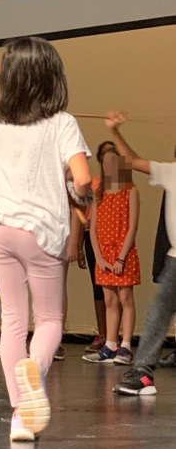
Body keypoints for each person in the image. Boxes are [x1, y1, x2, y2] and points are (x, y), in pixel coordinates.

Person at [0, 36, 91, 442]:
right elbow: (82, 178)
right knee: (50, 320)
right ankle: (33, 377)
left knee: (13, 321)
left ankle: (20, 415)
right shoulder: (62, 123)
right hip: (41, 232)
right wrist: (82, 196)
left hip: (0, 229)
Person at [110, 116, 176, 396]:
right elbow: (133, 161)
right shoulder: (171, 172)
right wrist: (115, 131)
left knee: (159, 310)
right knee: (159, 311)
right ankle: (143, 372)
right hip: (175, 260)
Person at [84, 147, 141, 365]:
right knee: (109, 300)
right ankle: (110, 344)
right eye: (105, 163)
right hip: (104, 254)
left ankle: (125, 346)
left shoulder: (130, 190)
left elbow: (132, 227)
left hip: (122, 253)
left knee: (125, 298)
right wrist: (99, 257)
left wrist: (121, 258)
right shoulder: (100, 193)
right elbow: (93, 228)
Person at [81, 141, 116, 353]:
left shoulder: (123, 186)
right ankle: (103, 334)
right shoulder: (93, 184)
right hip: (92, 236)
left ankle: (115, 336)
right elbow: (84, 214)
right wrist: (78, 245)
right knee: (98, 286)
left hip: (114, 238)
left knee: (117, 287)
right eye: (104, 156)